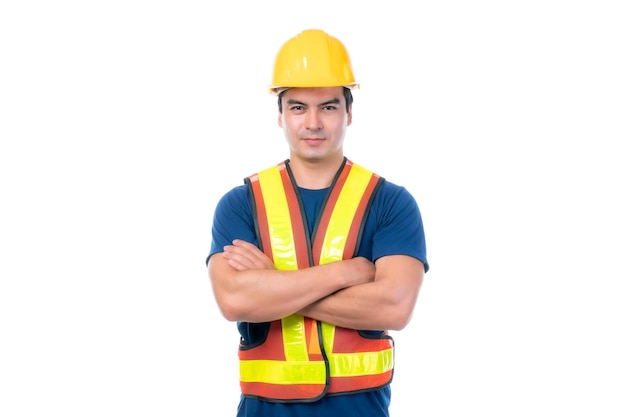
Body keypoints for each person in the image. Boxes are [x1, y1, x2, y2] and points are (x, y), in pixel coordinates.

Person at [206, 28, 429, 417]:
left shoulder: (391, 203)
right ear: (280, 115)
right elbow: (235, 300)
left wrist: (274, 285)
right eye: (297, 107)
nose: (313, 123)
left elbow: (394, 306)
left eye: (328, 107)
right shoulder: (240, 205)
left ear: (349, 112)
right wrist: (349, 272)